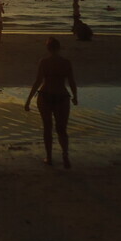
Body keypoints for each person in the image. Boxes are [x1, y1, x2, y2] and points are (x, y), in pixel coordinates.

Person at [24, 37, 78, 168]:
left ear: (48, 48)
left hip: (45, 96)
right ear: (59, 48)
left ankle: (49, 157)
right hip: (62, 96)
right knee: (62, 129)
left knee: (47, 128)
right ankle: (65, 155)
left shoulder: (44, 62)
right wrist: (75, 97)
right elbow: (71, 82)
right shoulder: (66, 62)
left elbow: (38, 82)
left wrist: (28, 100)